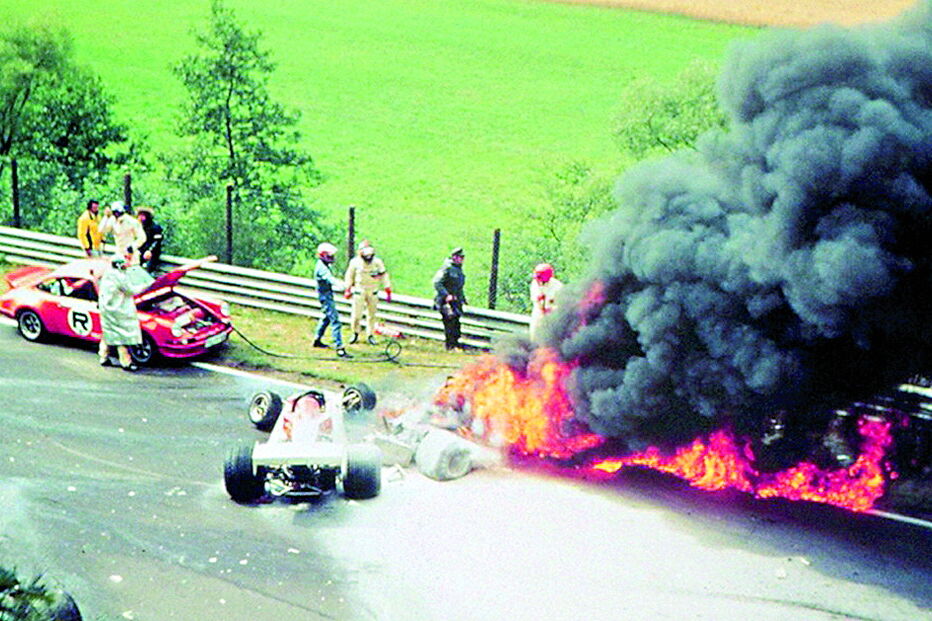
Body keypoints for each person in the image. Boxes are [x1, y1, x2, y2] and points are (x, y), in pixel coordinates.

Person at [97, 248, 154, 372]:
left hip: (106, 307)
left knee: (108, 332)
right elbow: (132, 290)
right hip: (117, 309)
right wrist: (148, 284)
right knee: (121, 336)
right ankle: (126, 362)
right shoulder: (119, 277)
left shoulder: (108, 273)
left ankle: (103, 356)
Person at [343, 240, 392, 345]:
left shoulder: (377, 262)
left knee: (372, 315)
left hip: (373, 290)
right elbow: (349, 275)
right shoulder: (355, 262)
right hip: (359, 290)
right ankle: (355, 333)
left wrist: (387, 289)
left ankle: (370, 335)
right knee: (356, 314)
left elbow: (384, 275)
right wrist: (347, 289)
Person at [312, 242, 352, 358]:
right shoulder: (321, 268)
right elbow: (329, 279)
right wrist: (342, 285)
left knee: (326, 318)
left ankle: (317, 340)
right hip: (325, 297)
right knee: (335, 321)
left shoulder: (323, 265)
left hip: (326, 295)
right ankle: (339, 348)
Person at [433, 247, 467, 350]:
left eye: (463, 257)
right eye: (460, 257)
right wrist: (446, 295)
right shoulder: (446, 268)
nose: (462, 259)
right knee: (449, 322)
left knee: (456, 323)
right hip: (445, 301)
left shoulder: (459, 270)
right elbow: (437, 283)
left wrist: (463, 298)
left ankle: (455, 343)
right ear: (454, 257)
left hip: (456, 301)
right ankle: (450, 345)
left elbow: (458, 287)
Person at [529, 262, 563, 340]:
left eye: (540, 277)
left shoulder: (557, 286)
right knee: (534, 335)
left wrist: (552, 309)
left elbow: (562, 304)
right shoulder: (534, 284)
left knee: (550, 339)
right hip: (538, 314)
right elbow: (537, 302)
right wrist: (541, 305)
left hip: (552, 317)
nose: (538, 280)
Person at [136, 206, 164, 274]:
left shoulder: (155, 227)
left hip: (151, 254)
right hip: (140, 253)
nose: (141, 218)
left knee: (146, 270)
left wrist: (150, 250)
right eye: (140, 215)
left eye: (143, 215)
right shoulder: (138, 227)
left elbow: (157, 242)